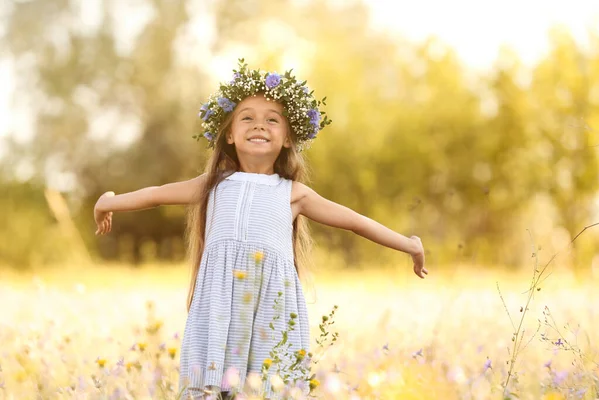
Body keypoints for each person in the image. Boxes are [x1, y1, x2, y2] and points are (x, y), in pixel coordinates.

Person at [93, 59, 427, 399]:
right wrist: (109, 202)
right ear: (230, 134)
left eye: (272, 120)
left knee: (264, 388)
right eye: (247, 117)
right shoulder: (213, 185)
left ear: (286, 139)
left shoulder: (293, 193)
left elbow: (356, 222)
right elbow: (156, 195)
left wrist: (409, 245)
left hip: (269, 309)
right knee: (212, 388)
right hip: (220, 305)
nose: (259, 125)